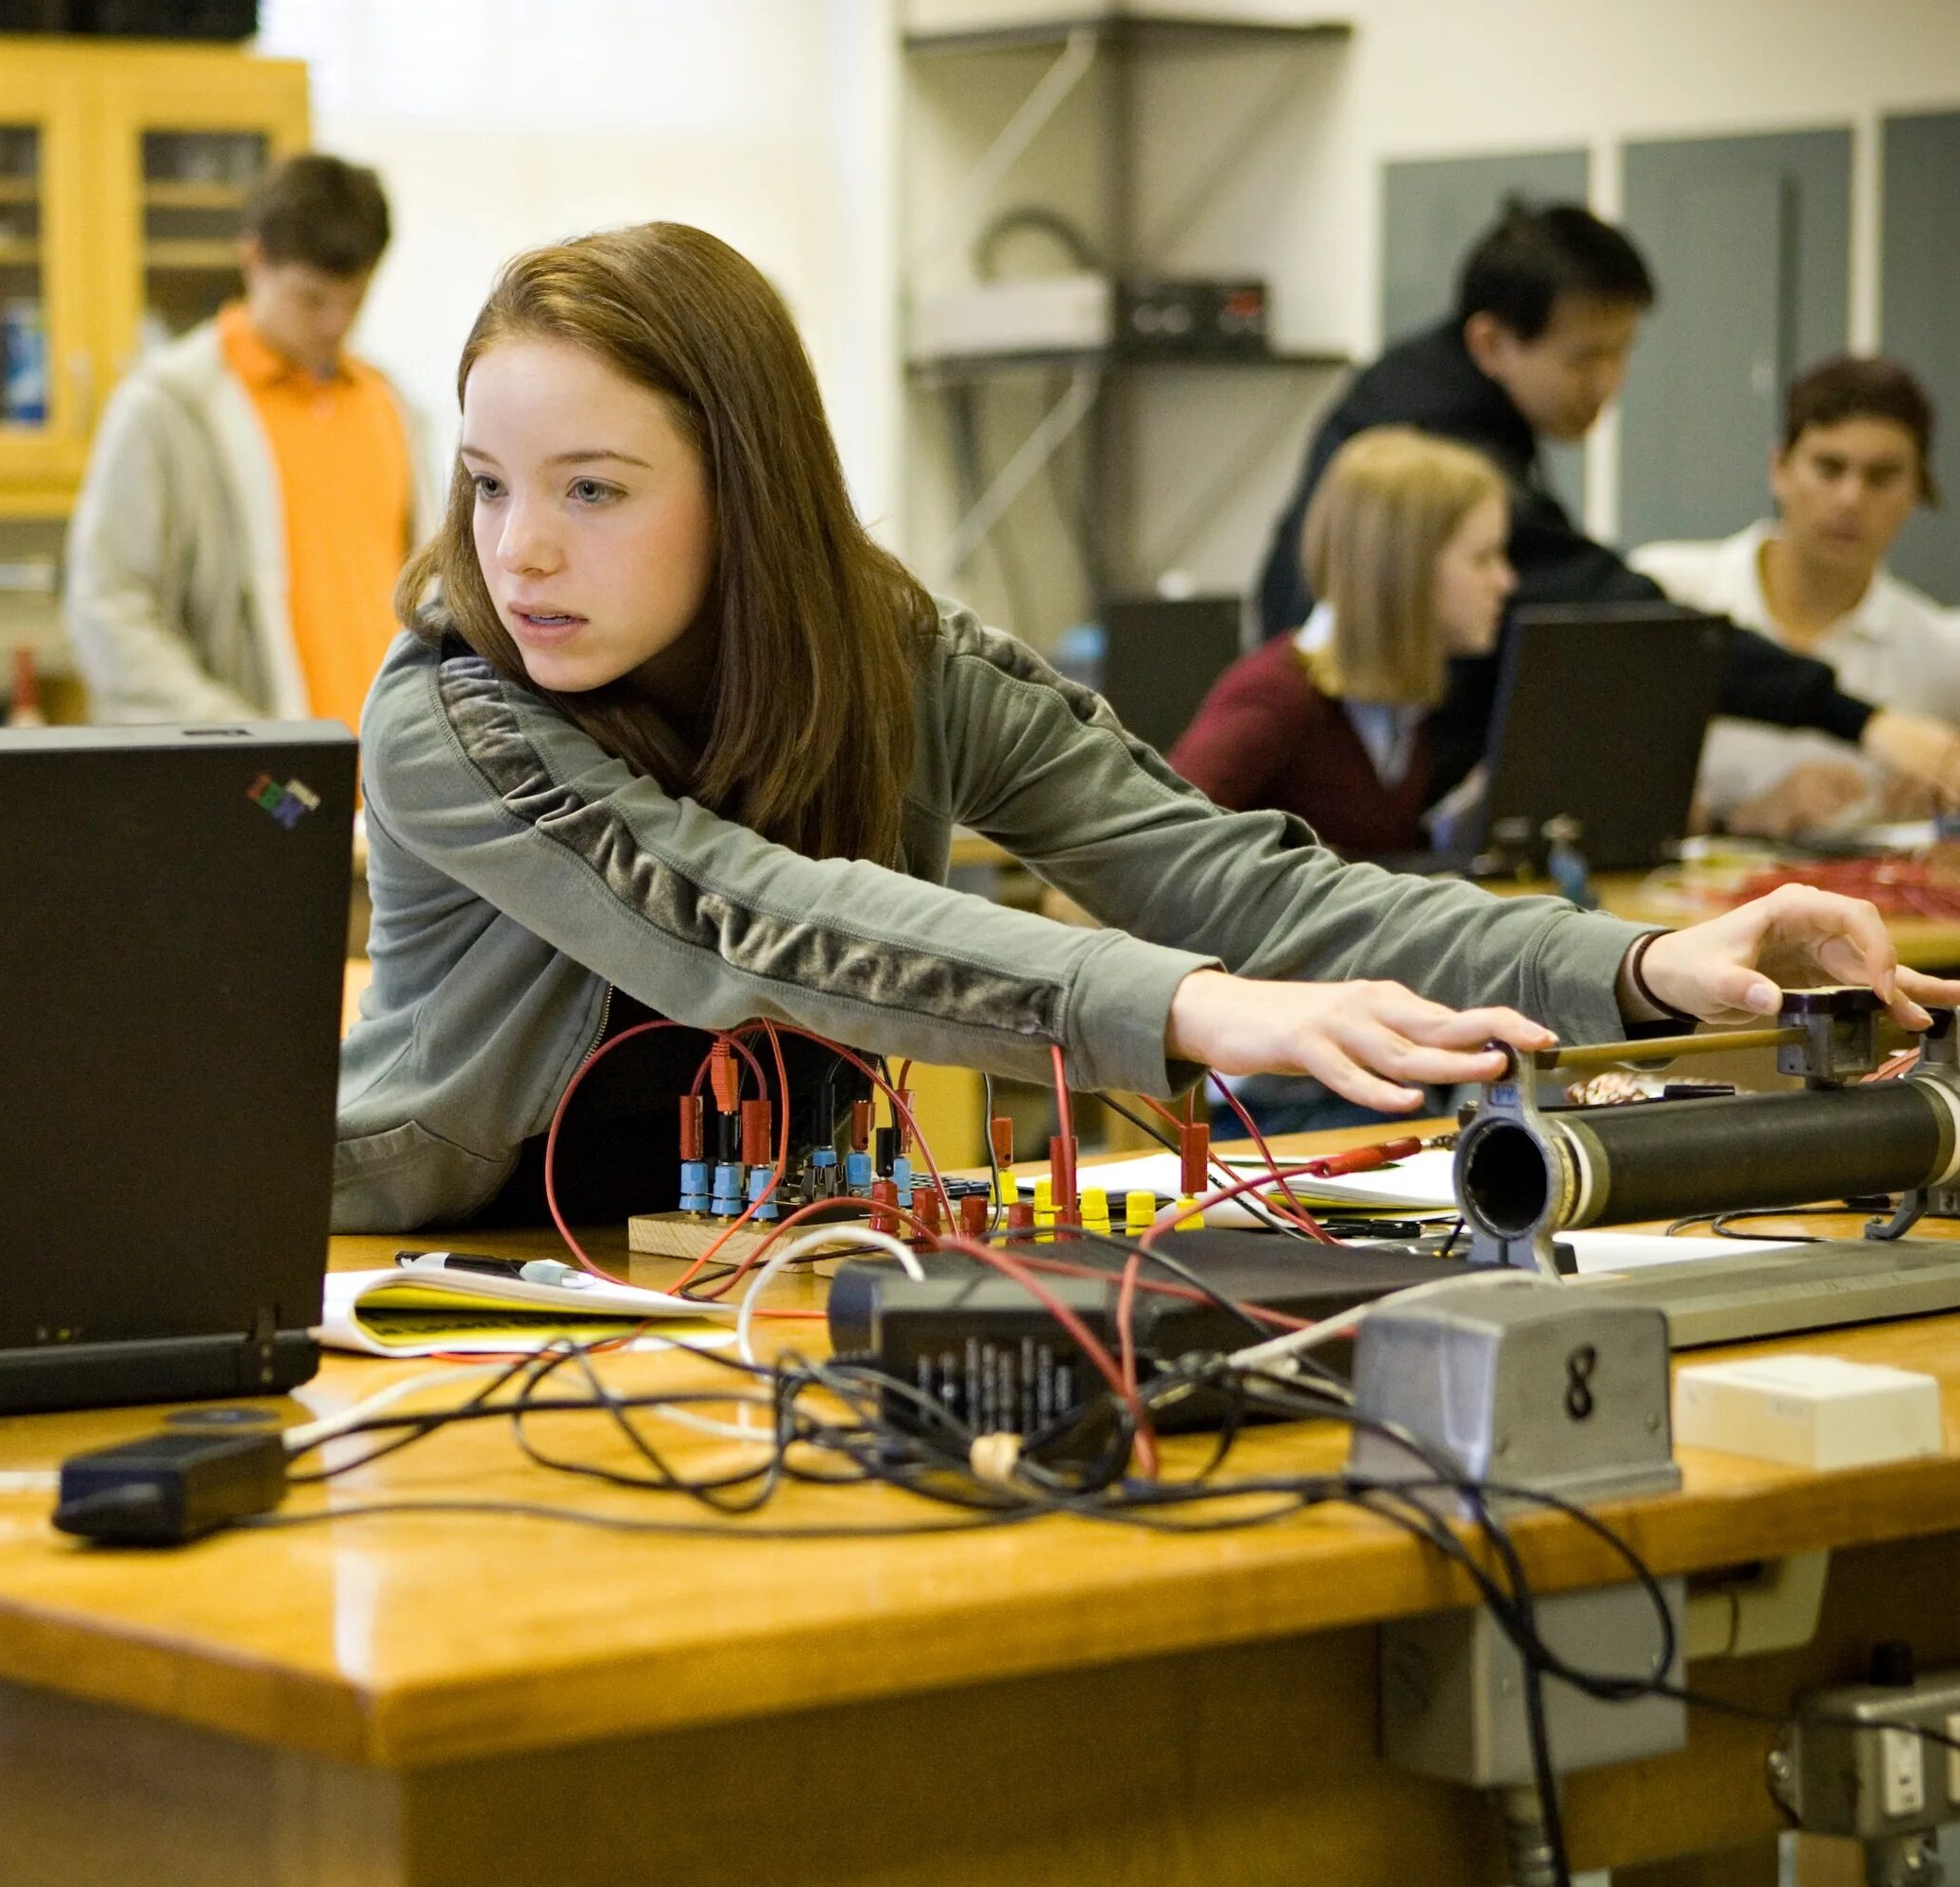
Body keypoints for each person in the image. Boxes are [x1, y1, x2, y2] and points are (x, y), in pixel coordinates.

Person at [332, 222, 1956, 1232]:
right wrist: (1190, 1008)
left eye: (590, 490)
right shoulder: (448, 713)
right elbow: (753, 922)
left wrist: (1637, 970)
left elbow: (1247, 881)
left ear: (747, 495)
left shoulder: (895, 655)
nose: (519, 547)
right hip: (432, 1276)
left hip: (766, 1269)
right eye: (487, 485)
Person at [1257, 199, 1960, 811]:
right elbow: (1624, 621)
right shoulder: (1439, 441)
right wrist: (1860, 720)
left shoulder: (1415, 385)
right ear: (1491, 342)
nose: (1609, 383)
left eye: (1623, 352)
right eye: (1585, 358)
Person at [68, 151, 439, 725]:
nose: (335, 325)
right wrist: (242, 743)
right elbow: (109, 613)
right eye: (311, 300)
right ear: (252, 261)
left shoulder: (393, 407)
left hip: (388, 788)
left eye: (354, 300)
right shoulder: (167, 409)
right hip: (262, 787)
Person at [1634, 354, 1960, 836]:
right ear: (1779, 468)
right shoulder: (1666, 591)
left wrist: (1944, 813)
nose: (1851, 498)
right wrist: (1736, 820)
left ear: (1917, 489)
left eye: (1882, 476)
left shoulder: (1941, 656)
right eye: (1829, 468)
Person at [1172, 427, 1512, 857]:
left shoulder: (1398, 704)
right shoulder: (1278, 697)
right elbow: (1162, 849)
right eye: (1483, 558)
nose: (1505, 581)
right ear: (1406, 569)